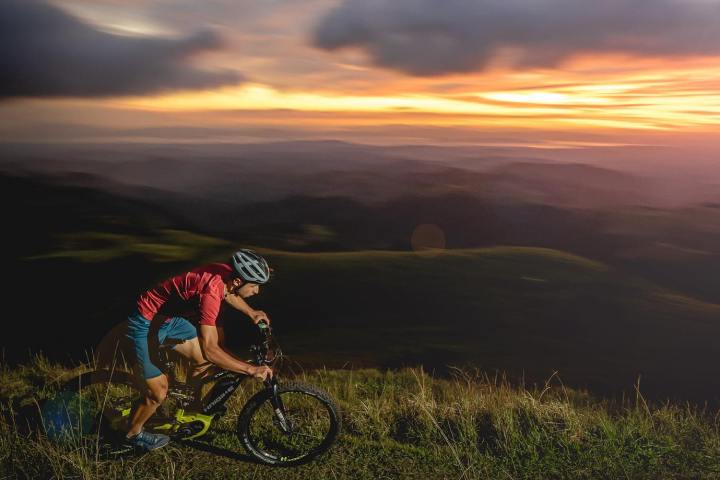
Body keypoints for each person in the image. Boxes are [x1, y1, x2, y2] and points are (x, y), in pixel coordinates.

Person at [124, 249, 274, 451]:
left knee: (203, 361)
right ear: (238, 281)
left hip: (170, 321)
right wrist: (250, 370)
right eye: (254, 285)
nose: (257, 291)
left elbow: (227, 293)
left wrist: (251, 312)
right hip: (144, 324)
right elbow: (211, 349)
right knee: (158, 393)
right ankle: (132, 434)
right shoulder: (211, 293)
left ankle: (186, 408)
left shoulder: (224, 273)